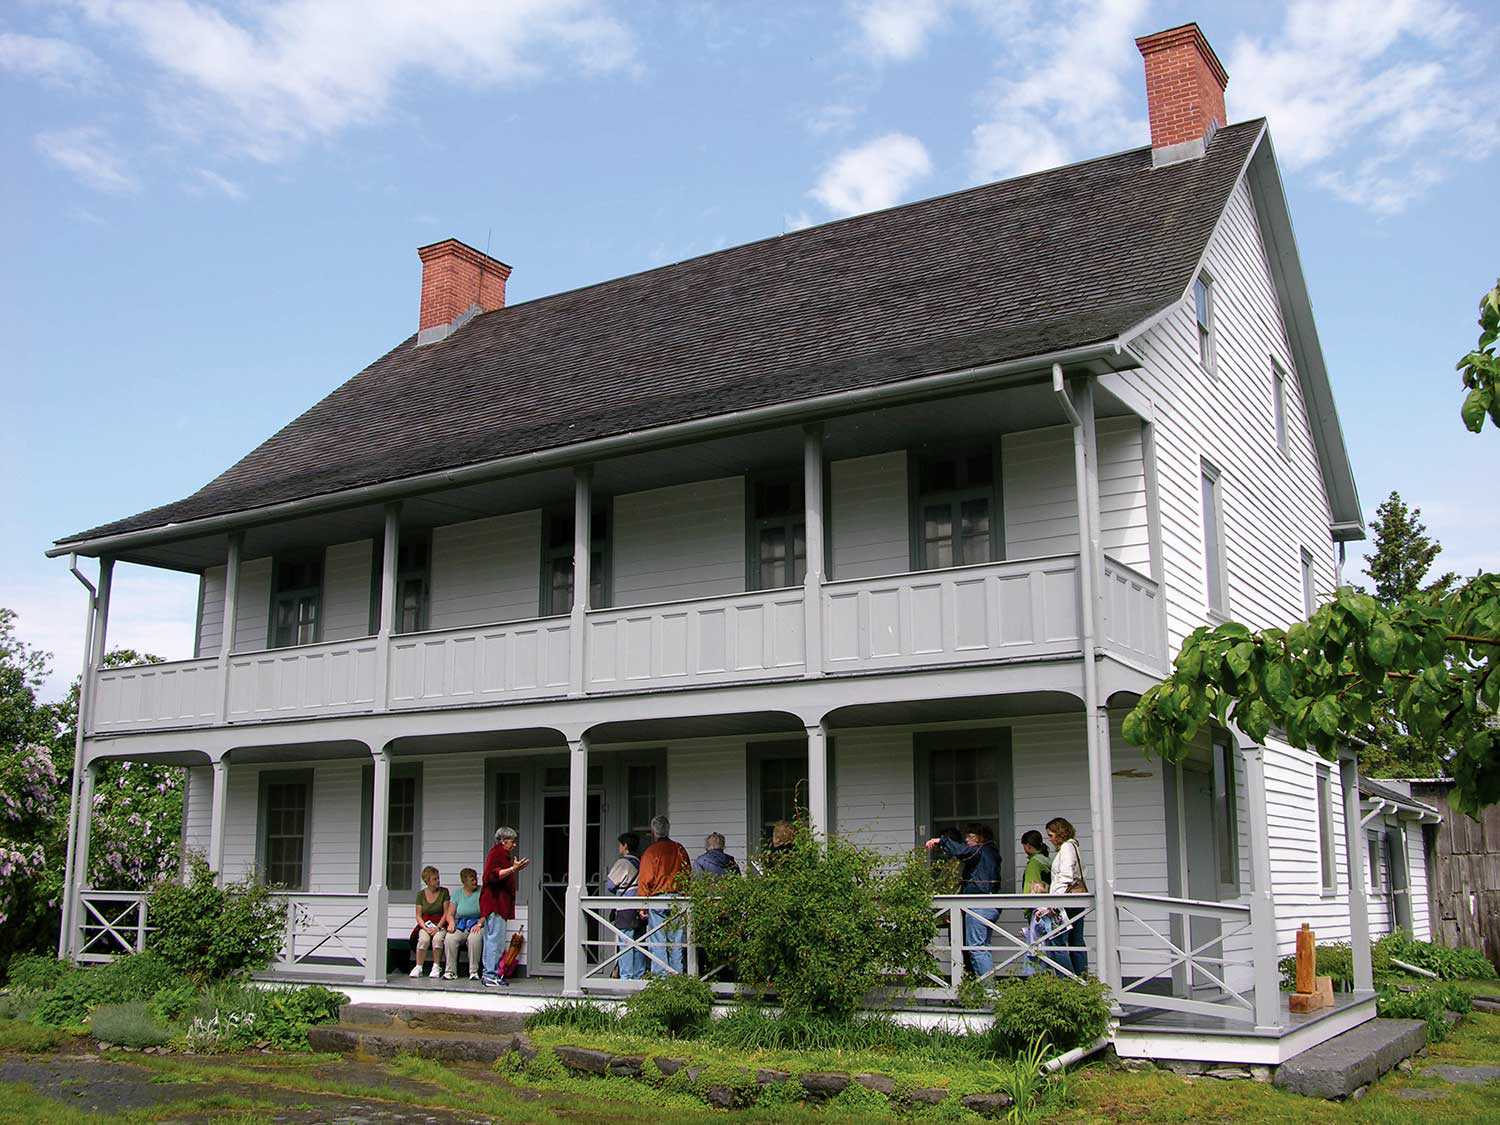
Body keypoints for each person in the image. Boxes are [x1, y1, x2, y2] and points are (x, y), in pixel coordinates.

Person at [925, 824, 1003, 978]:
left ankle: (987, 991)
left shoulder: (981, 850)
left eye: (970, 836)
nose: (966, 840)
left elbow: (961, 852)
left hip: (978, 905)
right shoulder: (991, 851)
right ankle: (986, 988)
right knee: (982, 947)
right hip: (989, 904)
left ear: (980, 837)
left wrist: (940, 840)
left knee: (976, 948)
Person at [637, 814, 690, 975]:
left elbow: (646, 879)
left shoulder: (651, 852)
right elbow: (687, 874)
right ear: (668, 830)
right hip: (677, 898)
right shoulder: (679, 849)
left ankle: (661, 978)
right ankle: (676, 975)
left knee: (657, 940)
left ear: (653, 832)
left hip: (658, 898)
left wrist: (642, 905)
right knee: (676, 940)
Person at [480, 826, 530, 988]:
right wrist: (513, 869)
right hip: (495, 903)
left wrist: (514, 869)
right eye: (512, 841)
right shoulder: (497, 853)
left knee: (494, 939)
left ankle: (491, 974)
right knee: (495, 939)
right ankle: (490, 975)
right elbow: (491, 876)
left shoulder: (502, 854)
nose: (514, 845)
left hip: (499, 903)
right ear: (503, 840)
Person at [1046, 817, 1088, 978]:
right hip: (1075, 899)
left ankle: (1067, 981)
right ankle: (1081, 979)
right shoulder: (1074, 846)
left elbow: (1065, 875)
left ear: (1059, 833)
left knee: (1057, 941)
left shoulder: (1066, 848)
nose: (1049, 839)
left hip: (1066, 900)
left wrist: (1055, 901)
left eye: (1051, 835)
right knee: (1076, 941)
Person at [605, 832, 645, 980]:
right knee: (640, 943)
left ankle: (626, 977)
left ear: (625, 846)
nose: (619, 847)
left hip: (625, 907)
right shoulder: (642, 863)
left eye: (620, 844)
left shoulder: (622, 863)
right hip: (640, 907)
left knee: (626, 943)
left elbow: (610, 885)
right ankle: (639, 975)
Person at [1019, 830, 1055, 976]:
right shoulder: (1047, 860)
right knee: (1048, 949)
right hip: (1050, 908)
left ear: (1028, 846)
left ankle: (1035, 980)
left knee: (1035, 949)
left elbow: (1031, 887)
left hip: (1038, 911)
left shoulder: (1034, 863)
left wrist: (1027, 908)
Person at [410, 866, 452, 980]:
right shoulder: (421, 895)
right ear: (427, 881)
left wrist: (437, 927)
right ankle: (418, 967)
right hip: (426, 924)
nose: (438, 881)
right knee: (423, 939)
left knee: (437, 939)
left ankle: (436, 966)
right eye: (435, 879)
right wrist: (425, 927)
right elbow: (418, 915)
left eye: (438, 878)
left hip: (441, 924)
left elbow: (446, 913)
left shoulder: (444, 892)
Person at [449, 867, 483, 981]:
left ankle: (473, 972)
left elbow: (487, 912)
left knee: (474, 939)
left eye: (475, 879)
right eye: (472, 880)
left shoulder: (481, 891)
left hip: (478, 924)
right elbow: (450, 913)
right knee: (450, 938)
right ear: (464, 882)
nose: (475, 882)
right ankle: (451, 971)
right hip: (462, 924)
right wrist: (451, 923)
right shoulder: (457, 894)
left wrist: (479, 923)